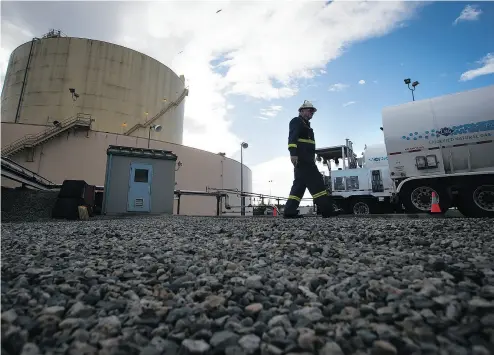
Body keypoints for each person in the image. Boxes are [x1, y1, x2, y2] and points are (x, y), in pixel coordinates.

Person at [283, 100, 338, 219]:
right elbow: (292, 138)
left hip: (307, 159)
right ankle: (327, 210)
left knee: (299, 186)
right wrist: (293, 154)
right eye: (310, 110)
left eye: (313, 111)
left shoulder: (306, 124)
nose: (312, 113)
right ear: (301, 111)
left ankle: (289, 211)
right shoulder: (296, 121)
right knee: (317, 182)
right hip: (303, 159)